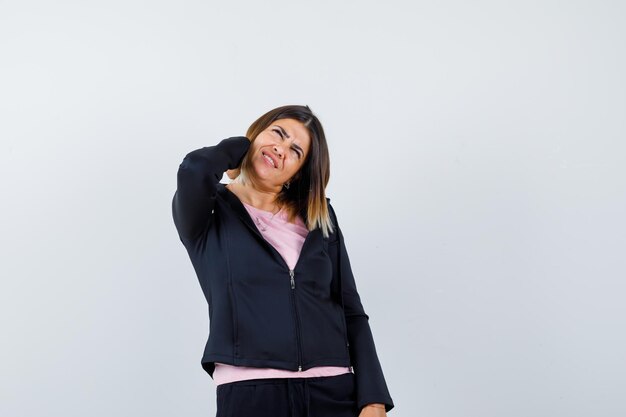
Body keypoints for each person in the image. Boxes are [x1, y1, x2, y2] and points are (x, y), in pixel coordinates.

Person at [172, 105, 394, 416]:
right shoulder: (208, 212)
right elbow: (194, 168)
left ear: (298, 172)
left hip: (335, 390)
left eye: (296, 151)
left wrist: (374, 398)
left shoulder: (320, 218)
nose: (281, 149)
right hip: (251, 395)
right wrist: (237, 152)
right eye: (278, 133)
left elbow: (351, 310)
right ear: (257, 131)